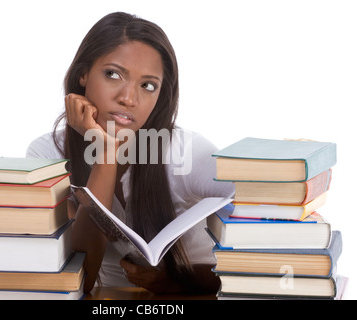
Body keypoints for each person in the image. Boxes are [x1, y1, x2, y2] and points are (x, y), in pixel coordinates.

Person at [26, 12, 234, 294]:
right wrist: (106, 153)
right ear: (83, 75)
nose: (128, 98)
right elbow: (80, 278)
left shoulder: (187, 151)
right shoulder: (47, 155)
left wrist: (176, 280)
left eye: (147, 85)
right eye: (113, 74)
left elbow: (261, 254)